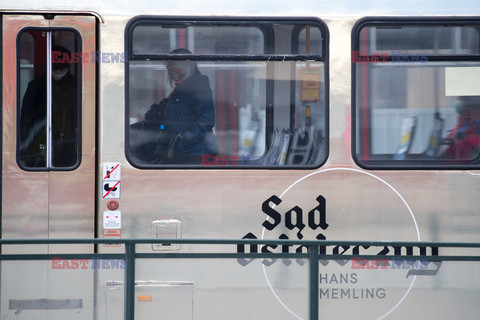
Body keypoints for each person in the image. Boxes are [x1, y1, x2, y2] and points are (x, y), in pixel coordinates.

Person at [143, 48, 218, 164]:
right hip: (179, 153)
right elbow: (164, 115)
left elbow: (206, 120)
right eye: (169, 69)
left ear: (185, 67)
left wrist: (182, 141)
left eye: (174, 68)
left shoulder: (200, 89)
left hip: (194, 154)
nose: (172, 73)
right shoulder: (178, 91)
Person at [19, 45, 78, 168]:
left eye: (62, 68)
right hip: (38, 142)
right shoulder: (36, 86)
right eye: (55, 68)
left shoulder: (76, 86)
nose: (58, 71)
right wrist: (23, 151)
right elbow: (26, 117)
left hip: (69, 143)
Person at [441, 96, 480, 160]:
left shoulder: (477, 118)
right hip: (458, 158)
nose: (459, 103)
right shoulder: (464, 117)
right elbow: (458, 130)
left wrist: (467, 137)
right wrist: (451, 137)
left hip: (471, 162)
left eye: (462, 101)